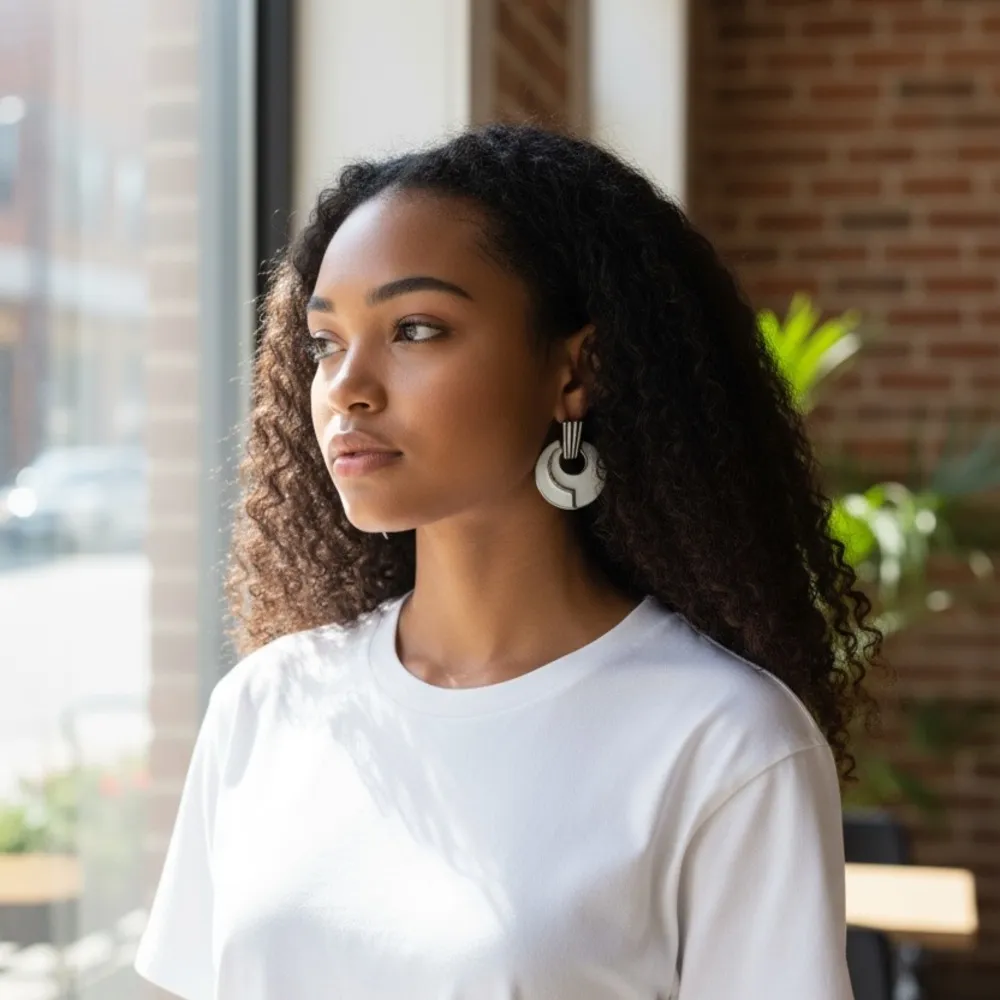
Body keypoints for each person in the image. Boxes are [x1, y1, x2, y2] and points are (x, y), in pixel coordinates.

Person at [133, 122, 881, 1000]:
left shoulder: (724, 740)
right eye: (324, 343)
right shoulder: (266, 704)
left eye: (415, 329)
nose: (347, 388)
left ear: (576, 372)